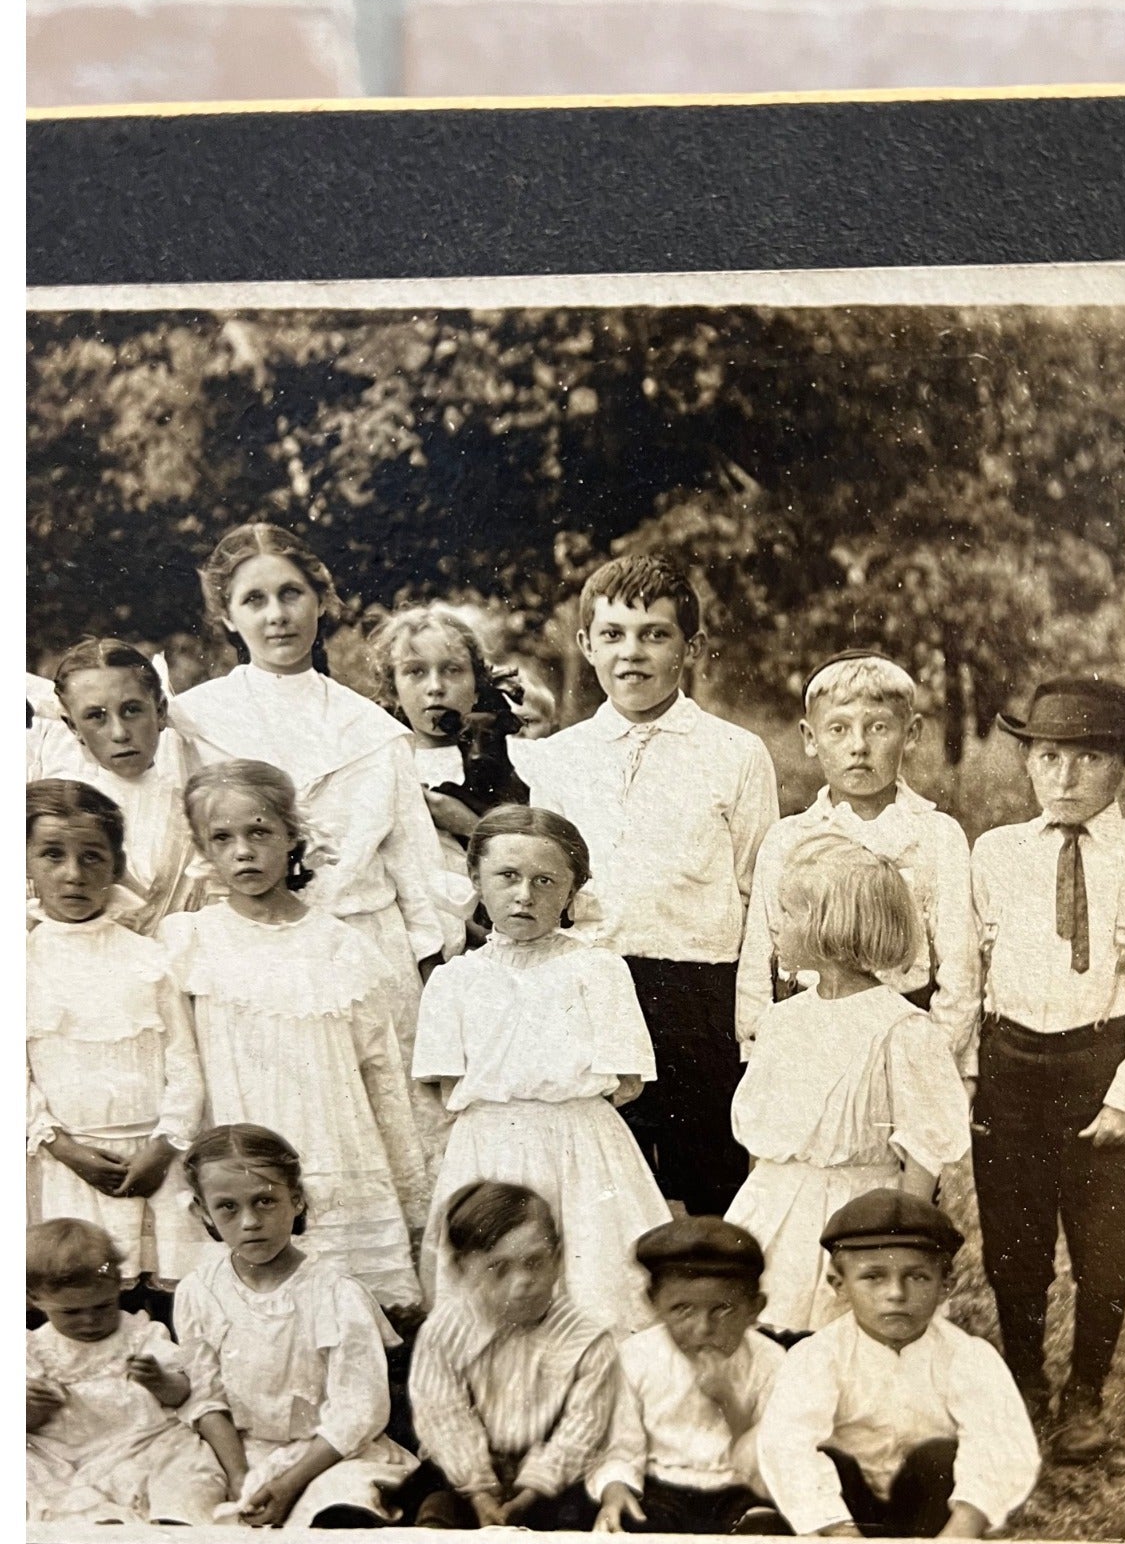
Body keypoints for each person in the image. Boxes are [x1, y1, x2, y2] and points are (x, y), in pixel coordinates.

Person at [514, 553, 778, 1214]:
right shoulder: (560, 758)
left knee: (711, 1176)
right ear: (586, 645)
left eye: (655, 635)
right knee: (610, 1184)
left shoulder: (735, 753)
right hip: (598, 987)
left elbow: (758, 891)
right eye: (613, 635)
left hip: (700, 992)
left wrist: (749, 1016)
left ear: (690, 647)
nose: (632, 654)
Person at [969, 676, 1125, 1463]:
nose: (1064, 777)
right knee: (1013, 1243)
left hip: (1105, 1059)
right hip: (1012, 1062)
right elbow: (970, 974)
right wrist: (969, 1071)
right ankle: (1024, 1383)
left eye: (1088, 759)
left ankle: (1086, 1391)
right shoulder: (994, 854)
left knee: (1107, 1250)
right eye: (1049, 756)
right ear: (1028, 762)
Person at [171, 523, 475, 1051]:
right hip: (251, 950)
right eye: (254, 600)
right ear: (227, 616)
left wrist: (434, 966)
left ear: (320, 600)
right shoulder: (196, 720)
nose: (277, 615)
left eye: (291, 593)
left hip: (365, 951)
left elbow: (417, 869)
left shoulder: (373, 730)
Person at [161, 761, 425, 1312]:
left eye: (259, 832)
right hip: (243, 1157)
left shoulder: (342, 948)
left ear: (291, 836)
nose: (243, 852)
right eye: (223, 838)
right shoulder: (192, 942)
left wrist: (411, 1200)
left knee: (346, 1313)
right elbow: (182, 1064)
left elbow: (384, 1083)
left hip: (338, 1155)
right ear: (204, 851)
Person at [411, 805, 668, 1331]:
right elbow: (444, 1085)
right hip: (488, 1146)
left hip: (581, 1145)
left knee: (594, 1276)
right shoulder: (455, 980)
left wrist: (559, 1100)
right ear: (476, 879)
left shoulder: (598, 970)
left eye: (545, 881)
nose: (524, 894)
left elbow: (627, 1080)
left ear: (572, 893)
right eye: (507, 877)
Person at [726, 837, 971, 1331]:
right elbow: (762, 1142)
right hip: (773, 1206)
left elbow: (922, 1154)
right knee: (761, 1330)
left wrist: (896, 1245)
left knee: (838, 1336)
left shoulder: (901, 1029)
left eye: (791, 913)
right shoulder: (781, 1020)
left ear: (831, 928)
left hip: (856, 1213)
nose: (777, 924)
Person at [737, 650, 979, 1076]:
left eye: (879, 727)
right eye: (838, 728)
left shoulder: (938, 836)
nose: (859, 746)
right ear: (810, 738)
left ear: (912, 733)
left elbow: (959, 970)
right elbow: (759, 958)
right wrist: (760, 1053)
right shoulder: (789, 839)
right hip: (805, 1042)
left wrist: (939, 1058)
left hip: (907, 1041)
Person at [756, 1191, 1040, 1539]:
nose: (896, 1293)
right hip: (844, 1514)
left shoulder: (968, 1356)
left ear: (945, 1286)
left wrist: (958, 1534)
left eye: (917, 1277)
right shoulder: (817, 1356)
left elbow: (1000, 1446)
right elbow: (787, 1445)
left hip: (933, 1514)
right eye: (874, 1277)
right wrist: (842, 1534)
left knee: (938, 1458)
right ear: (839, 1286)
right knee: (827, 1462)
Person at [173, 1125, 417, 1529]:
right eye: (228, 1207)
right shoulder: (198, 1292)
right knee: (183, 1503)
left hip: (329, 1455)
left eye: (265, 1201)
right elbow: (205, 1396)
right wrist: (239, 1476)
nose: (250, 1221)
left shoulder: (336, 1294)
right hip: (240, 1453)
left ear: (296, 1200)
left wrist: (289, 1483)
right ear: (203, 1212)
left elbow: (359, 1409)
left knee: (337, 1507)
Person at [25, 780, 210, 1283]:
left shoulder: (150, 959)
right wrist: (62, 1147)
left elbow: (184, 1063)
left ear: (115, 862)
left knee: (165, 1286)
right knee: (78, 1287)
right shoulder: (23, 963)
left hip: (154, 1160)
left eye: (91, 857)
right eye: (51, 855)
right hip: (68, 1163)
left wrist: (166, 1144)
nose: (72, 875)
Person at [406, 1182, 620, 1531]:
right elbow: (443, 1414)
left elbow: (582, 1429)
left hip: (555, 1475)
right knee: (437, 1513)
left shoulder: (587, 1340)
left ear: (558, 1256)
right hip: (463, 1473)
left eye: (535, 1262)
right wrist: (479, 1491)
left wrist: (532, 1490)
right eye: (498, 1268)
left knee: (572, 1521)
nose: (522, 1282)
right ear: (462, 1269)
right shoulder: (445, 1332)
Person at [590, 1218, 787, 1536]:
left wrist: (728, 1402)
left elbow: (774, 1456)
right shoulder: (636, 1357)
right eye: (683, 1309)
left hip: (740, 1489)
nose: (703, 1329)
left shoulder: (770, 1361)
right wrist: (615, 1487)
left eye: (723, 1309)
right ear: (653, 1303)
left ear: (755, 1307)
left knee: (767, 1529)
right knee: (630, 1524)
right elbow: (620, 1445)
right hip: (663, 1489)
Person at [26, 1219, 229, 1526]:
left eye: (103, 1306)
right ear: (35, 1299)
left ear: (118, 1284)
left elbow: (183, 1394)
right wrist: (31, 1408)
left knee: (185, 1468)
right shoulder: (31, 1349)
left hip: (142, 1444)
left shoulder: (140, 1334)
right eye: (70, 1312)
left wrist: (159, 1381)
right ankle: (97, 1526)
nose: (90, 1321)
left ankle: (174, 1525)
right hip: (63, 1457)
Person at [32, 637, 202, 933]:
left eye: (132, 710)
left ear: (160, 711)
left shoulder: (191, 806)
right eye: (96, 717)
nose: (120, 733)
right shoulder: (61, 812)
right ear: (73, 727)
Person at [365, 601, 528, 885]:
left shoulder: (503, 762)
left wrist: (468, 825)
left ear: (477, 685)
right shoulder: (379, 761)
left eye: (452, 670)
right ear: (393, 689)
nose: (435, 687)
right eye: (415, 671)